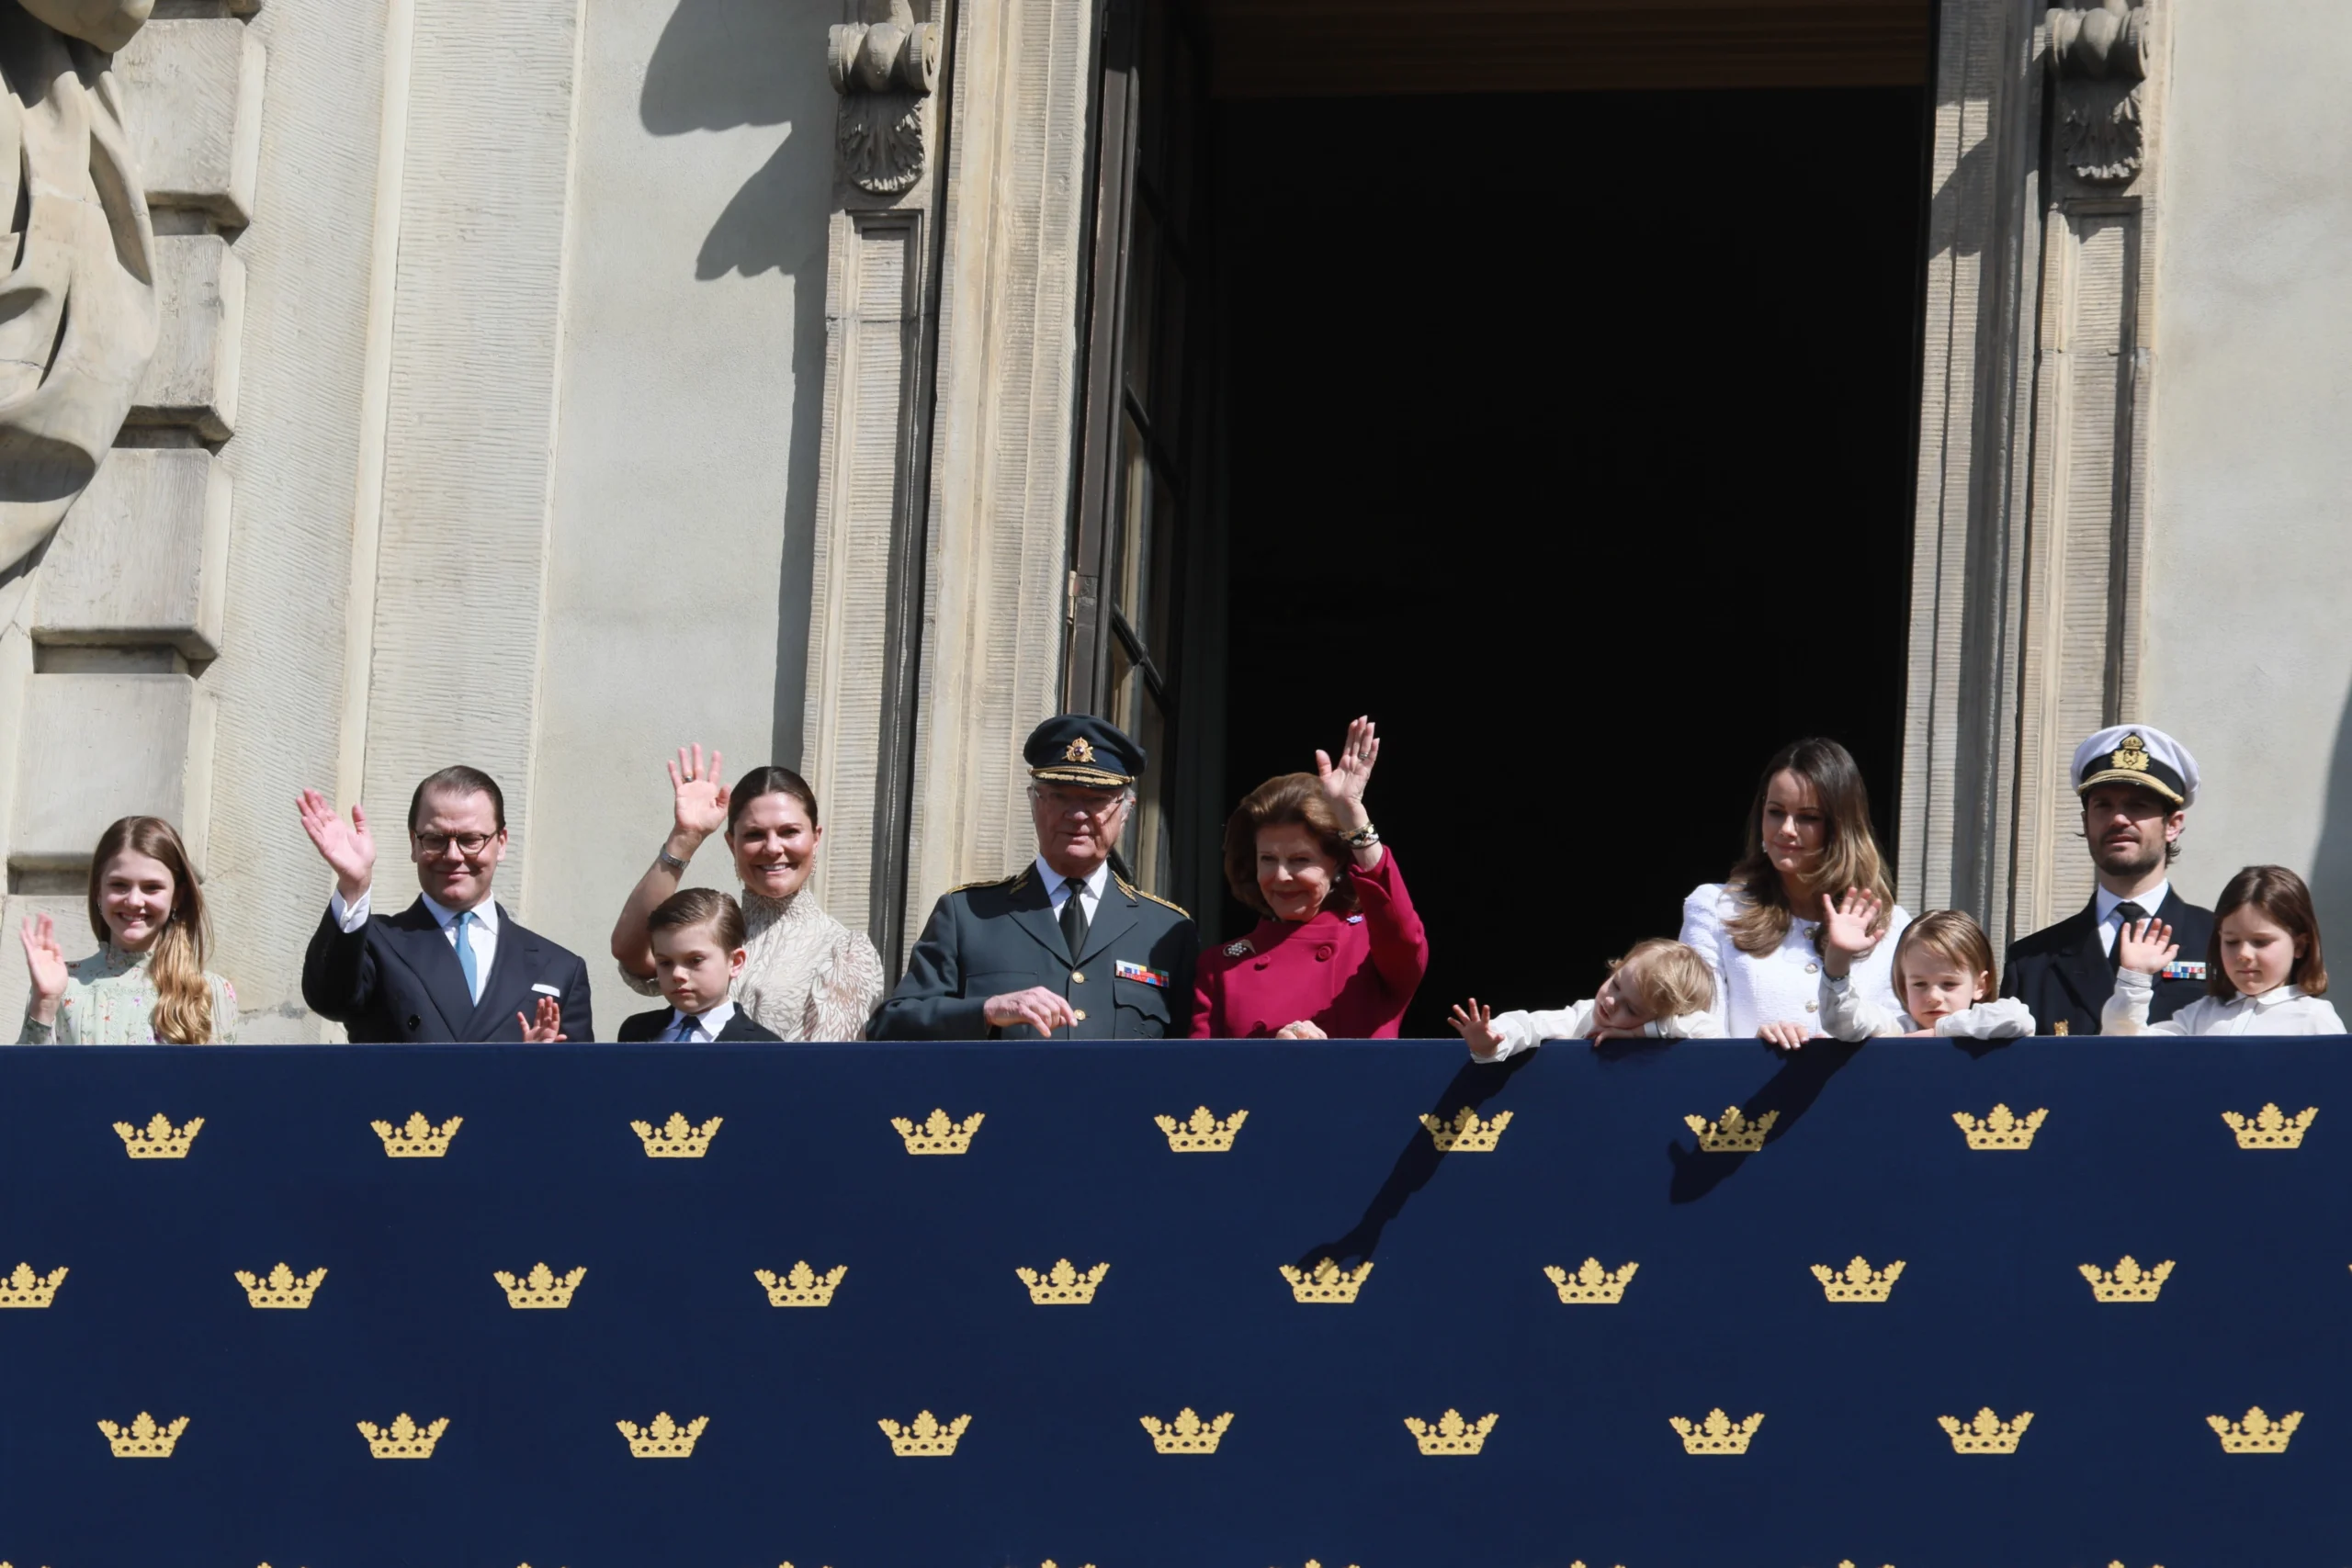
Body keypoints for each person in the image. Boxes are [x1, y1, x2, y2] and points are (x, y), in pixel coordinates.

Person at [870, 715, 1197, 1040]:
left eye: (1096, 800)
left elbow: (1193, 1059)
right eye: (1059, 796)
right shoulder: (968, 915)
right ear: (1033, 801)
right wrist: (986, 1011)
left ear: (1125, 811)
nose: (1077, 814)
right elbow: (890, 1027)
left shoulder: (1165, 930)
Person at [297, 767, 594, 1043]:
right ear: (414, 842)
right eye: (436, 839)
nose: (453, 855)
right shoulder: (375, 941)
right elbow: (330, 1000)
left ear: (501, 842)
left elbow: (582, 1088)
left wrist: (539, 1071)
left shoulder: (560, 968)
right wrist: (354, 884)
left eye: (470, 839)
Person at [607, 747, 883, 1041]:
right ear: (731, 843)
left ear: (815, 838)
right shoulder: (710, 925)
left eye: (789, 832)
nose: (773, 848)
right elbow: (631, 952)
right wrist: (684, 838)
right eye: (754, 835)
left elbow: (823, 1071)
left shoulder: (844, 951)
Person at [1191, 718, 1429, 1040]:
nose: (1281, 876)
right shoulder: (1220, 968)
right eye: (1268, 859)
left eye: (1300, 860)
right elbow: (1203, 1078)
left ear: (1338, 864)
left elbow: (1403, 934)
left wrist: (1354, 818)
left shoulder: (1372, 945)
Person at [1679, 738, 1910, 1045]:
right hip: (1740, 1092)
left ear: (1842, 828)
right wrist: (1752, 1050)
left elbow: (1905, 1039)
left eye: (1808, 817)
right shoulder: (1714, 907)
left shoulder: (1891, 925)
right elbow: (1698, 1032)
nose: (1787, 828)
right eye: (1776, 811)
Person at [2003, 726, 2216, 1034]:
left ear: (2173, 824)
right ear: (2086, 822)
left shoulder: (2221, 945)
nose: (2118, 819)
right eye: (2103, 805)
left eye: (2137, 805)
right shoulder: (2032, 963)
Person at [16, 817, 237, 1044]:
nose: (133, 900)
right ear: (98, 891)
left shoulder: (211, 993)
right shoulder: (62, 985)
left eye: (152, 888)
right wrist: (44, 1004)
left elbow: (225, 1080)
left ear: (177, 897)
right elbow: (23, 1079)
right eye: (119, 885)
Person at [2103, 864, 2346, 1036]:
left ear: (2300, 946)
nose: (2244, 954)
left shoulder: (2314, 1020)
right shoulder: (2200, 1016)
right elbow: (2130, 1053)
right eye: (2231, 941)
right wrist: (2134, 979)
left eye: (2261, 942)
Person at [1450, 938, 1720, 1062]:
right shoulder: (1584, 1017)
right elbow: (1533, 1024)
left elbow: (1710, 1032)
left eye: (1631, 1008)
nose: (1612, 1002)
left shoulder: (1675, 1034)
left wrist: (1642, 1033)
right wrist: (1492, 1040)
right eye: (1615, 984)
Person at [1818, 903, 2036, 1041]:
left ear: (1980, 985)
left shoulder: (1985, 1024)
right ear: (1903, 986)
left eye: (1949, 984)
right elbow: (1843, 1022)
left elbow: (2018, 1019)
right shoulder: (1897, 1030)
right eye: (1919, 984)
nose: (1933, 997)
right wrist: (1837, 961)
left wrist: (1940, 1031)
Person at [615, 889, 783, 1043]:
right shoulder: (635, 1031)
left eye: (695, 960)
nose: (677, 974)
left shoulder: (764, 1046)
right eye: (665, 963)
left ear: (735, 962)